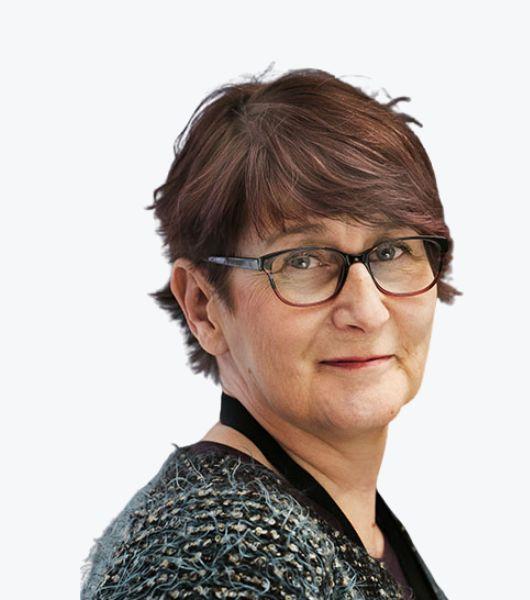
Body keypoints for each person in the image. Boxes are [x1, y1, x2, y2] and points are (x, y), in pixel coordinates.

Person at [80, 67, 461, 599]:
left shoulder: (326, 523)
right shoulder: (220, 556)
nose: (367, 311)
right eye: (303, 260)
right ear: (204, 307)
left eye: (393, 251)